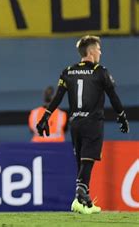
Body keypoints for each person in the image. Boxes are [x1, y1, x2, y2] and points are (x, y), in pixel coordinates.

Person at [36, 35, 129, 214]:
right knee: (88, 161)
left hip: (75, 124)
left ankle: (84, 202)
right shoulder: (100, 71)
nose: (100, 52)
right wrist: (122, 116)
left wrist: (45, 117)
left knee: (82, 162)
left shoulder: (68, 71)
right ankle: (80, 191)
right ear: (92, 51)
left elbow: (57, 98)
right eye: (99, 49)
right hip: (92, 122)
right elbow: (113, 96)